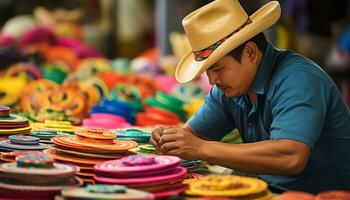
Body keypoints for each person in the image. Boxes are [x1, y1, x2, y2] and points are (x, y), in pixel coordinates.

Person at [149, 0, 350, 194]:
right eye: (207, 71)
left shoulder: (299, 80)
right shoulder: (227, 88)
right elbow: (194, 136)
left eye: (217, 68)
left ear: (251, 53)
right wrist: (170, 139)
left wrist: (200, 148)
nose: (211, 80)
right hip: (271, 189)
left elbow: (290, 156)